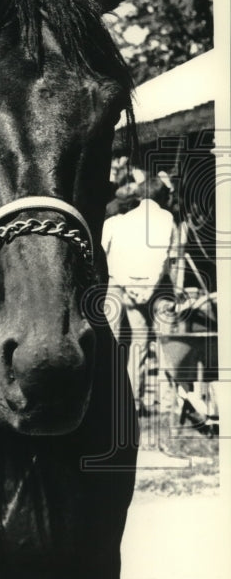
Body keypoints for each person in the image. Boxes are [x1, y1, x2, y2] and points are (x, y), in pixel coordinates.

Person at [102, 173, 176, 413]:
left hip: (126, 288)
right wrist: (149, 290)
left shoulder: (119, 221)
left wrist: (131, 288)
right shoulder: (167, 218)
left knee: (137, 345)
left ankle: (134, 402)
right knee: (167, 344)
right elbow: (167, 258)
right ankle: (168, 403)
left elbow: (110, 257)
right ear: (162, 196)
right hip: (158, 289)